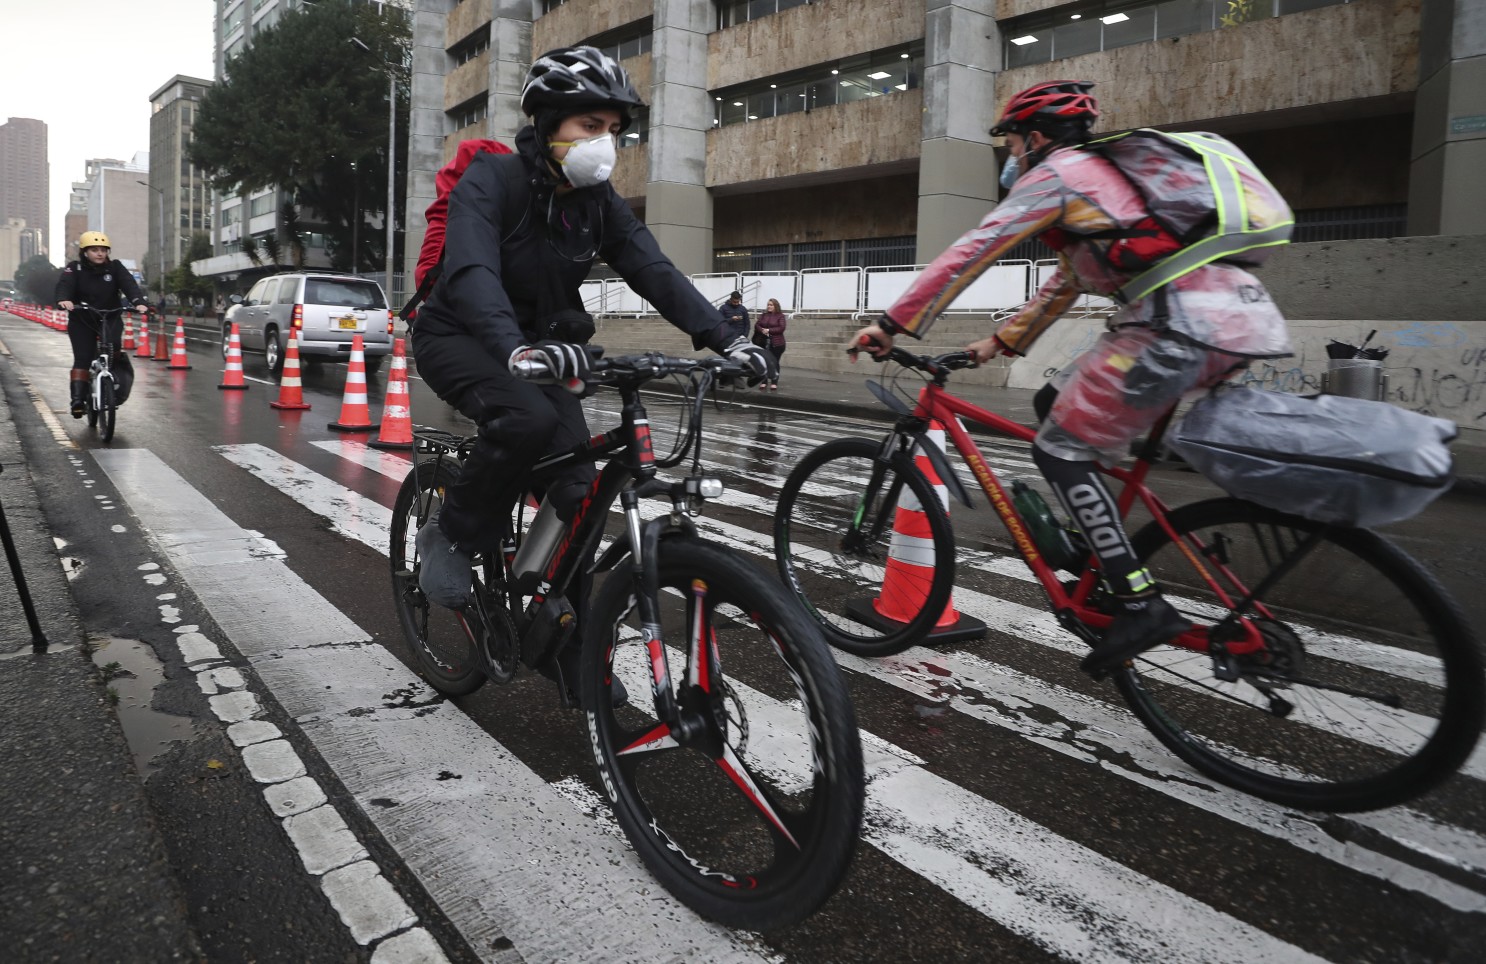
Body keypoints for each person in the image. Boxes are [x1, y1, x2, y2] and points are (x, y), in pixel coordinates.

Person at [849, 80, 1293, 678]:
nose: (1011, 156)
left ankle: (1138, 601)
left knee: (1060, 450)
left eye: (1010, 143)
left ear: (1033, 138)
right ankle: (1100, 550)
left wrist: (891, 324)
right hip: (1231, 320)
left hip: (1175, 328)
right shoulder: (1103, 187)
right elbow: (1066, 281)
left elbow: (973, 249)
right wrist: (997, 343)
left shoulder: (1058, 174)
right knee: (1053, 399)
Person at [409, 46, 774, 702]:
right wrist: (512, 347)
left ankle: (569, 652)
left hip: (545, 350)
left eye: (612, 129)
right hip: (460, 333)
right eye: (589, 126)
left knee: (580, 491)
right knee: (525, 417)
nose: (604, 143)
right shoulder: (492, 183)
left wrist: (728, 341)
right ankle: (454, 534)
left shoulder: (597, 203)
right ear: (548, 123)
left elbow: (653, 269)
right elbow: (470, 273)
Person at [55, 231, 149, 418]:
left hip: (110, 316)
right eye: (94, 250)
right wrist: (63, 299)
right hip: (82, 319)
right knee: (82, 358)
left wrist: (139, 301)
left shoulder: (115, 267)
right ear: (85, 252)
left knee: (114, 346)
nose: (100, 253)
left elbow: (128, 284)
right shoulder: (75, 268)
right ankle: (78, 400)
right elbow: (64, 285)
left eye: (103, 250)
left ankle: (111, 379)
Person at [754, 298, 787, 390]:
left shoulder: (780, 316)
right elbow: (757, 325)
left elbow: (781, 328)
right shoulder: (763, 315)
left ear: (775, 306)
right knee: (764, 362)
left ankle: (774, 381)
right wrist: (762, 330)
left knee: (774, 362)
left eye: (771, 305)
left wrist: (769, 330)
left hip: (777, 343)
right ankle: (764, 381)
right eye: (768, 304)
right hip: (763, 342)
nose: (769, 306)